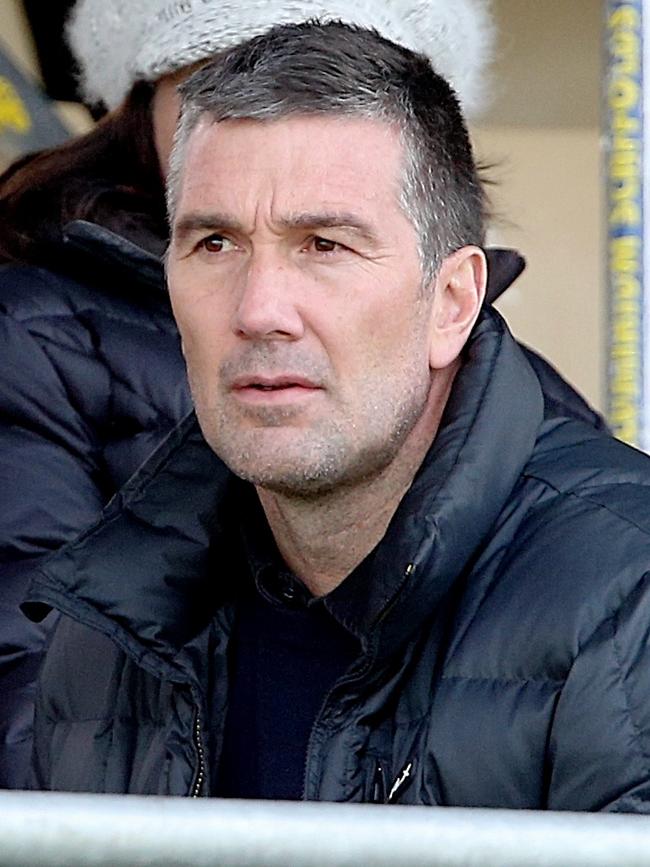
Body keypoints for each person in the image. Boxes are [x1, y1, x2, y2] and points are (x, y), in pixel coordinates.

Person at [24, 21, 650, 811]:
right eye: (215, 243)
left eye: (324, 244)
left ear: (454, 302)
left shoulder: (631, 598)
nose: (259, 311)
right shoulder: (108, 630)